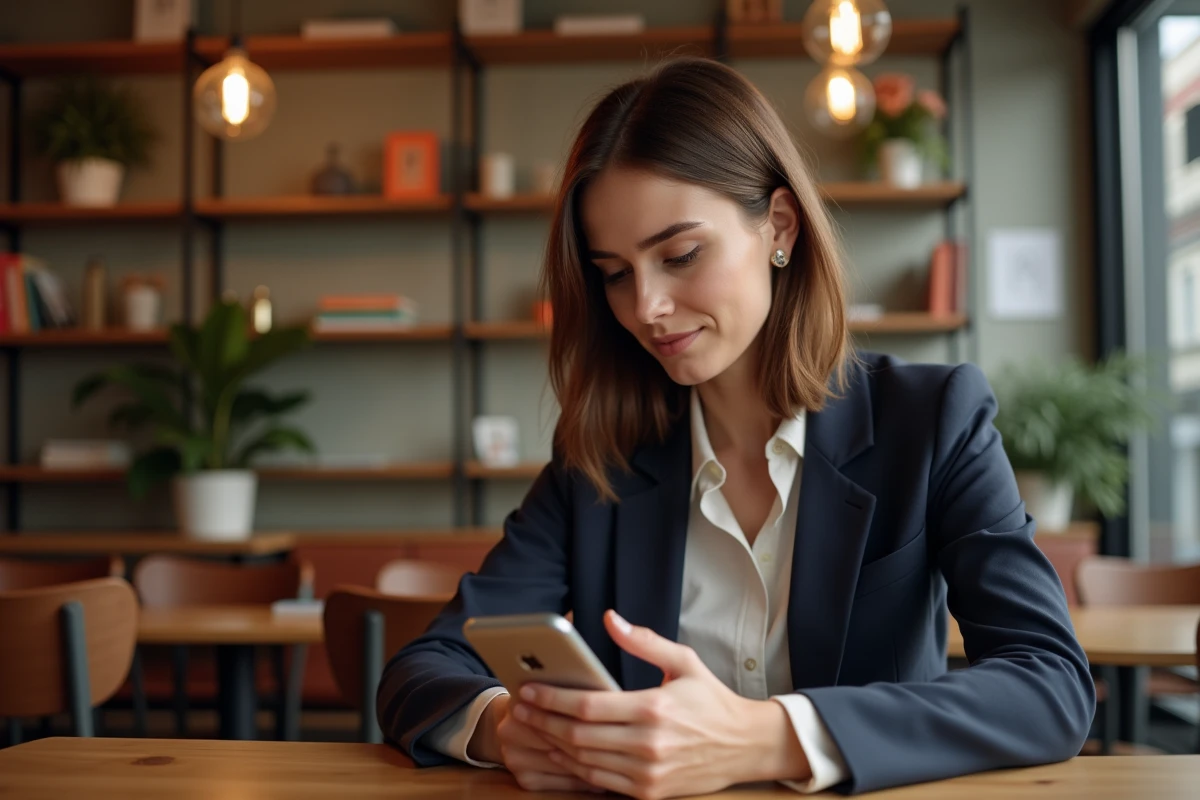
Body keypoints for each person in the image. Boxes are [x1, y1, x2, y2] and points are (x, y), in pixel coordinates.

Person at [377, 56, 1094, 797]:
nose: (646, 306)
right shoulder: (600, 456)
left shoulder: (933, 420)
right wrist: (504, 728)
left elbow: (1051, 684)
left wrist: (768, 737)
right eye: (615, 273)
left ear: (779, 226)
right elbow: (422, 669)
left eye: (680, 255)